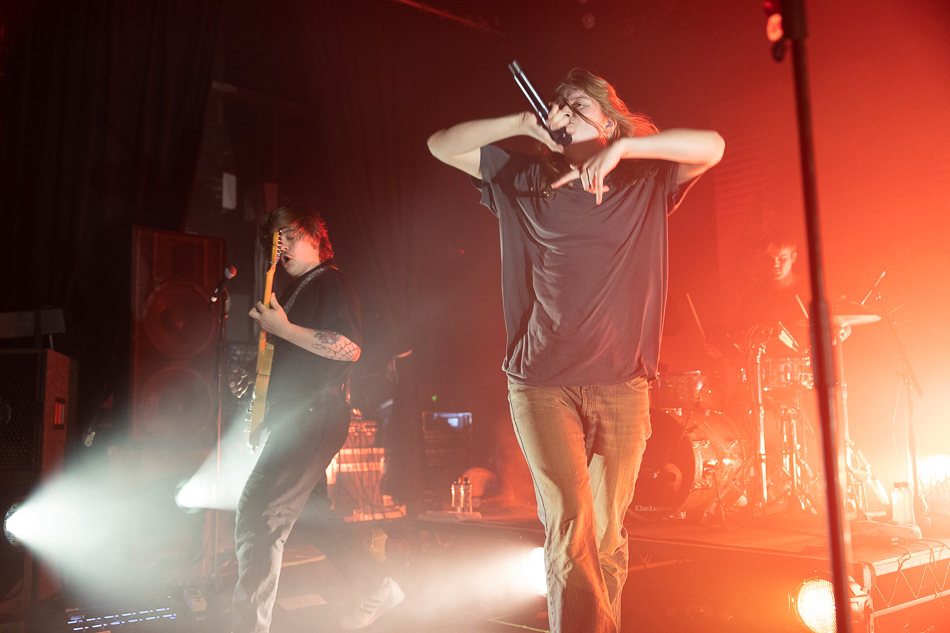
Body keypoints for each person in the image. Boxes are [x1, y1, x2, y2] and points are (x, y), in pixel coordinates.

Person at [427, 69, 724, 633]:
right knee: (570, 524)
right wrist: (523, 123)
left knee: (605, 536)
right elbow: (441, 144)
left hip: (622, 382)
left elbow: (713, 146)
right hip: (541, 383)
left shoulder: (643, 180)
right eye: (556, 104)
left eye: (577, 103)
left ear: (608, 121)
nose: (562, 110)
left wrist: (624, 149)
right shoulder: (522, 176)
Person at [230, 205, 404, 633]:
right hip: (297, 416)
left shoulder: (330, 281)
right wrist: (256, 382)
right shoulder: (296, 290)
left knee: (259, 513)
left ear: (314, 238)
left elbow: (349, 347)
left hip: (314, 414)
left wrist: (285, 330)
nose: (281, 247)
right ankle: (377, 586)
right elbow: (296, 359)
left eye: (288, 236)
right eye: (275, 240)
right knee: (313, 516)